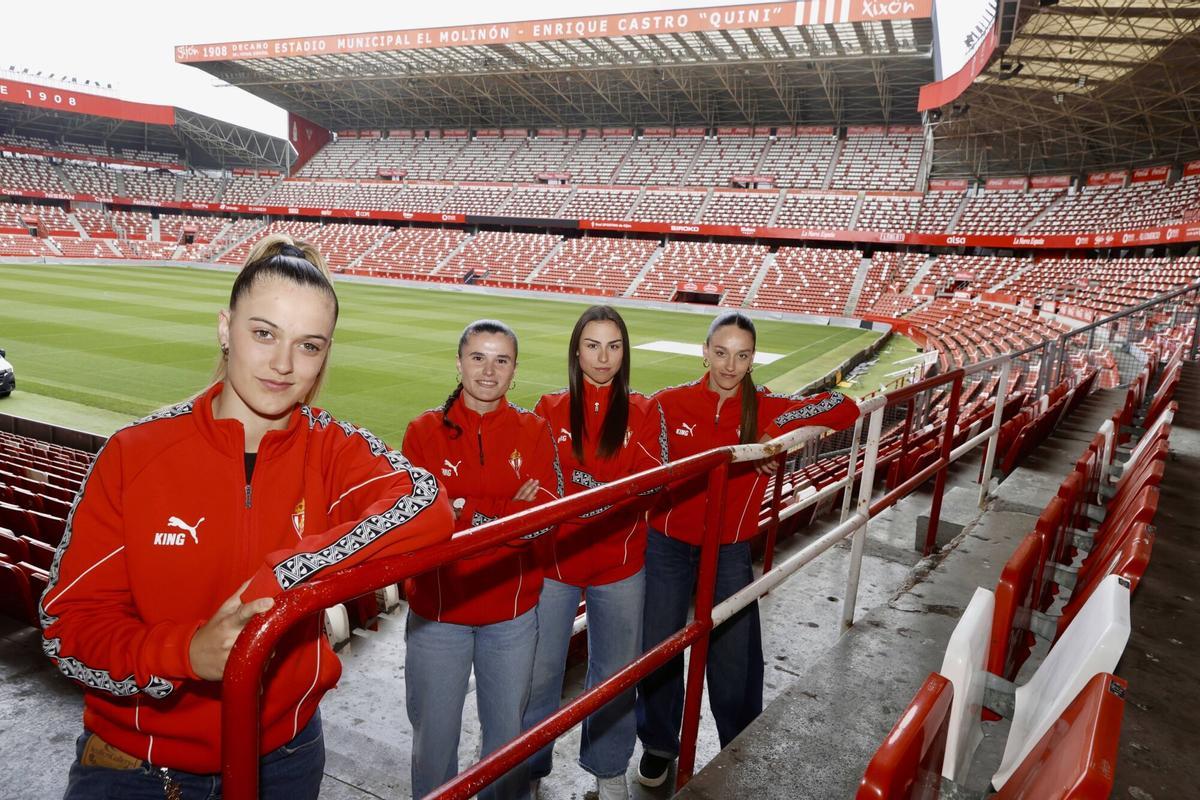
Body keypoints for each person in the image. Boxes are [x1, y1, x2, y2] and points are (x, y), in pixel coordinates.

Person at [41, 234, 455, 800]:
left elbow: (427, 504)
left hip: (285, 757)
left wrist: (283, 578)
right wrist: (188, 652)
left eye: (309, 346)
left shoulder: (332, 447)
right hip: (139, 767)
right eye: (264, 333)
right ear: (225, 328)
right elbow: (68, 629)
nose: (283, 364)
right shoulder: (133, 453)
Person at [634, 311, 860, 788]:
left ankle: (738, 742)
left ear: (753, 358)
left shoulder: (768, 406)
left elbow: (844, 406)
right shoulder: (669, 403)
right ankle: (658, 744)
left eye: (741, 356)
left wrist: (774, 437)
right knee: (660, 645)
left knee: (735, 652)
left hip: (729, 547)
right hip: (667, 543)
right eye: (720, 353)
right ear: (705, 352)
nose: (729, 366)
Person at [401, 319, 562, 800]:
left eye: (501, 360)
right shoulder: (422, 432)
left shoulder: (534, 429)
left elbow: (543, 519)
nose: (489, 371)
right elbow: (419, 523)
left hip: (511, 615)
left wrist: (461, 510)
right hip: (438, 614)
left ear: (515, 369)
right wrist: (505, 513)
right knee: (433, 744)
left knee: (507, 743)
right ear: (458, 363)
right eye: (478, 358)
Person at [522, 306, 667, 800]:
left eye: (614, 346)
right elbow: (540, 486)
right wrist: (609, 491)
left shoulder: (645, 411)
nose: (603, 357)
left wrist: (583, 496)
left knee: (615, 674)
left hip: (620, 565)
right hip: (555, 564)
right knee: (540, 673)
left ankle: (608, 772)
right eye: (592, 345)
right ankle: (530, 769)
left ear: (625, 352)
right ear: (576, 351)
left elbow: (651, 486)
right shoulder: (547, 408)